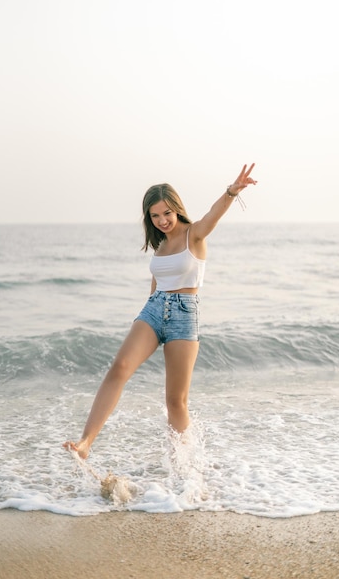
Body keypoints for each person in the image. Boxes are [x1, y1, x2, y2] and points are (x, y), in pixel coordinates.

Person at [63, 163, 257, 460]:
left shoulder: (195, 235)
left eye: (166, 213)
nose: (162, 220)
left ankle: (184, 463)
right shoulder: (160, 246)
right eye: (155, 215)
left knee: (176, 401)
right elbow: (156, 286)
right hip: (154, 310)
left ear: (176, 209)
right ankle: (86, 442)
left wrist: (232, 191)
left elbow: (212, 216)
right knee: (120, 367)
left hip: (184, 315)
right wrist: (148, 316)